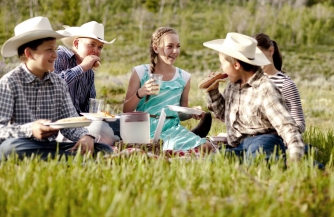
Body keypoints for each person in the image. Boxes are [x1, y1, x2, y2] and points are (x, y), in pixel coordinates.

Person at [0, 16, 112, 160]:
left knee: (104, 149)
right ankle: (72, 158)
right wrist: (31, 130)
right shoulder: (9, 83)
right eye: (49, 50)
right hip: (22, 143)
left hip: (49, 146)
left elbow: (71, 121)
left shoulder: (58, 83)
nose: (55, 55)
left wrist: (85, 136)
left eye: (54, 49)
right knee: (10, 149)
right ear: (29, 53)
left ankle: (61, 158)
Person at [203, 32, 304, 162]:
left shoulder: (265, 88)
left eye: (222, 63)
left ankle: (309, 165)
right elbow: (225, 116)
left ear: (236, 65)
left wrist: (295, 156)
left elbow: (287, 126)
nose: (221, 68)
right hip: (239, 145)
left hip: (264, 139)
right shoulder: (232, 87)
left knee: (258, 160)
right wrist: (213, 92)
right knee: (214, 160)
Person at [123, 26, 213, 152]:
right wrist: (141, 92)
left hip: (172, 129)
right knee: (177, 150)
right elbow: (126, 110)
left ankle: (188, 140)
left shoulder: (184, 77)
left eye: (178, 46)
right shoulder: (140, 72)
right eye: (170, 46)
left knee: (207, 147)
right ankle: (188, 139)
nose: (175, 51)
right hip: (143, 129)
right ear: (156, 48)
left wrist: (191, 112)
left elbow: (180, 115)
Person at [54, 21, 119, 145]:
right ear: (76, 43)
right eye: (91, 45)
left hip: (80, 124)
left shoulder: (90, 72)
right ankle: (107, 141)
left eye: (100, 47)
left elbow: (89, 107)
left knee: (121, 122)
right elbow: (53, 85)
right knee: (102, 130)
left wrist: (98, 115)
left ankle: (105, 140)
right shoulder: (59, 57)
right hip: (59, 124)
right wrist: (82, 67)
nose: (95, 50)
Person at [254, 33, 305, 133]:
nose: (256, 60)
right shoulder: (251, 81)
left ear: (271, 51)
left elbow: (300, 124)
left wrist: (280, 130)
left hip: (276, 141)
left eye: (259, 55)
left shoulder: (286, 84)